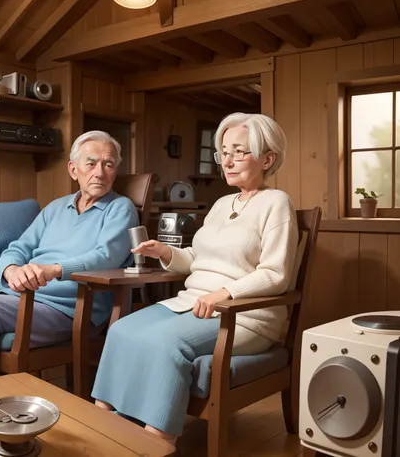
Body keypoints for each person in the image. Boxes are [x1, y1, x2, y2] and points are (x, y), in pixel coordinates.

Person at [91, 113, 299, 444]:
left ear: (267, 158)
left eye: (239, 152)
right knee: (120, 329)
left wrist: (224, 294)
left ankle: (155, 443)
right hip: (193, 303)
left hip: (245, 316)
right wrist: (166, 253)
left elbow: (276, 274)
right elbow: (197, 259)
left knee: (166, 344)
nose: (228, 161)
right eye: (224, 152)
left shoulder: (277, 204)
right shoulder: (220, 204)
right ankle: (102, 429)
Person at [0, 130, 139, 389]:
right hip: (19, 298)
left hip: (70, 308)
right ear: (74, 169)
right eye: (91, 163)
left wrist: (53, 270)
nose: (100, 172)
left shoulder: (121, 208)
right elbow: (18, 247)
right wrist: (11, 269)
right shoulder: (56, 208)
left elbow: (106, 257)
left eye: (109, 164)